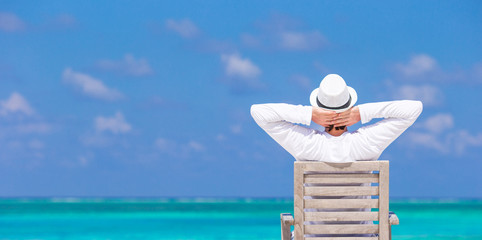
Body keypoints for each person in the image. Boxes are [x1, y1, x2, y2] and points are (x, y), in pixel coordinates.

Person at [250, 74, 423, 238]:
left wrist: (309, 115)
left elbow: (259, 112)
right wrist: (360, 114)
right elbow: (414, 108)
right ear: (349, 106)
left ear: (319, 109)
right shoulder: (366, 142)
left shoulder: (306, 144)